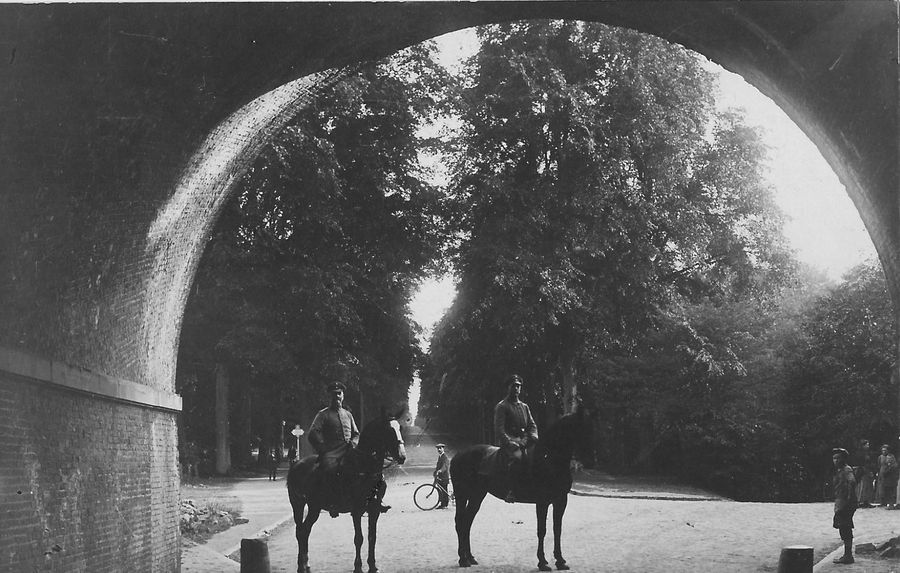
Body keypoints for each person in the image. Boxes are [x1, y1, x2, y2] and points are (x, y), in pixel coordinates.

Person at [307, 381, 389, 514]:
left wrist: (354, 443)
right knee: (330, 470)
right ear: (329, 397)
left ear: (343, 396)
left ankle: (373, 499)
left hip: (350, 450)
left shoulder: (348, 414)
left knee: (370, 468)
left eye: (339, 394)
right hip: (331, 452)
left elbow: (356, 433)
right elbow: (313, 433)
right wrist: (323, 448)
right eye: (334, 394)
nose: (337, 397)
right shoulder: (323, 414)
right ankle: (332, 502)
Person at [493, 374, 539, 503]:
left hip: (525, 441)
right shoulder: (502, 406)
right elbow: (499, 429)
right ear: (508, 388)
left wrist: (533, 436)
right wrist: (510, 442)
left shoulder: (524, 407)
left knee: (539, 456)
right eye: (513, 386)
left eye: (518, 386)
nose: (516, 389)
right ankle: (510, 490)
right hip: (510, 444)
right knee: (517, 458)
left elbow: (532, 425)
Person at [831, 447, 857, 564]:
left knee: (845, 527)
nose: (835, 461)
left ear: (843, 459)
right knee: (843, 527)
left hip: (846, 502)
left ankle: (848, 556)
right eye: (834, 458)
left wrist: (847, 500)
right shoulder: (840, 470)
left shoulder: (847, 470)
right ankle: (847, 555)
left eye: (838, 458)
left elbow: (852, 482)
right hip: (842, 501)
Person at [875, 443, 898, 508]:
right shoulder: (880, 457)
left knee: (889, 489)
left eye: (885, 450)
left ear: (888, 450)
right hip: (881, 474)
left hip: (888, 475)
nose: (884, 452)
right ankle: (882, 502)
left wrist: (887, 471)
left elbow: (893, 466)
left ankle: (890, 503)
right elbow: (879, 465)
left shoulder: (891, 457)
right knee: (881, 488)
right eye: (882, 450)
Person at [854, 440, 876, 508]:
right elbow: (860, 462)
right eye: (867, 444)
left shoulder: (868, 453)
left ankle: (866, 501)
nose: (868, 446)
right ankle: (859, 501)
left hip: (867, 470)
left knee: (868, 487)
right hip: (862, 471)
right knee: (862, 486)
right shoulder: (859, 453)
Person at [433, 443, 450, 509]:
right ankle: (442, 503)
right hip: (440, 477)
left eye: (440, 448)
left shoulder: (445, 457)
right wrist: (435, 472)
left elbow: (445, 466)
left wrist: (440, 471)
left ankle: (444, 504)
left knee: (444, 490)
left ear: (443, 449)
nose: (439, 449)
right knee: (440, 490)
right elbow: (438, 466)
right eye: (438, 448)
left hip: (444, 476)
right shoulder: (440, 457)